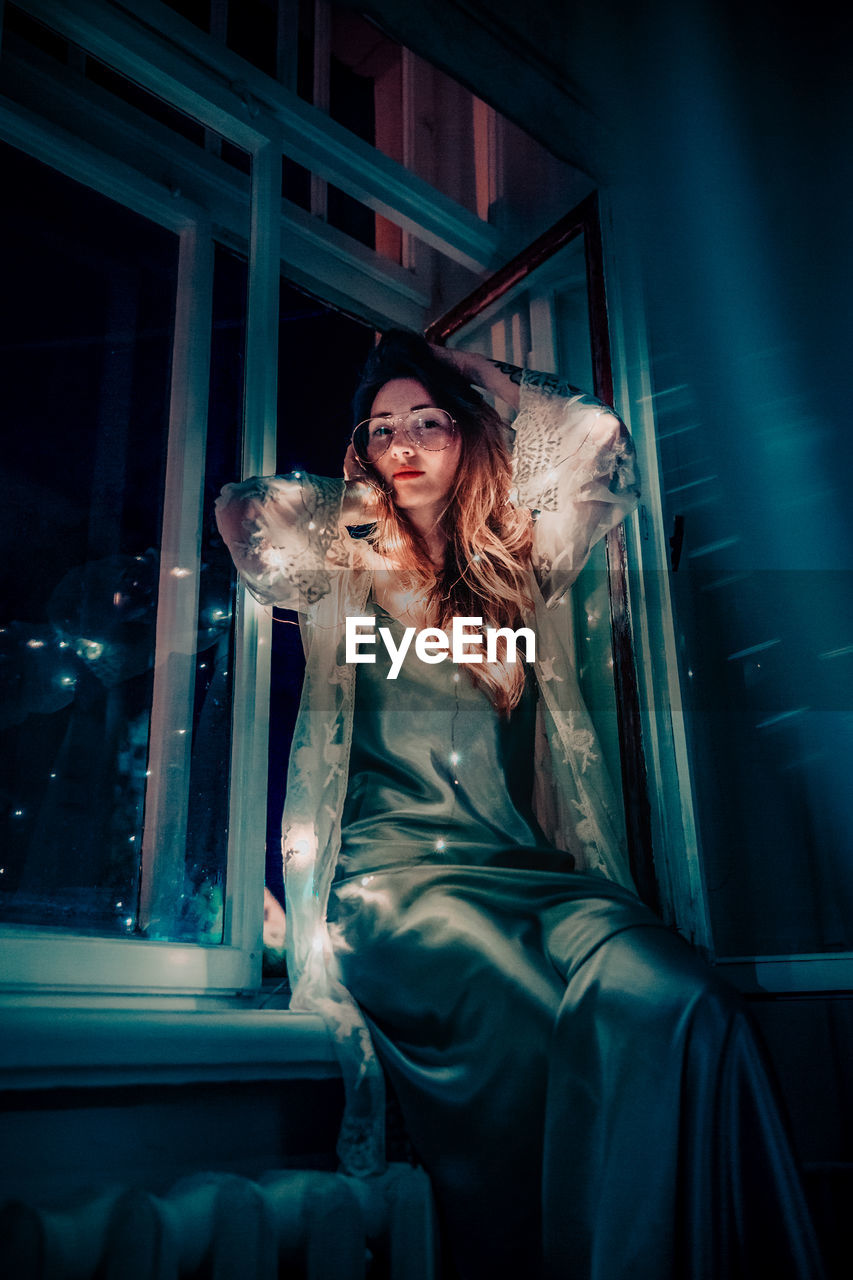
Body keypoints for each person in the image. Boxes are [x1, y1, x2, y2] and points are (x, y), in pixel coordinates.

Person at [216, 331, 824, 1280]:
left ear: (470, 434)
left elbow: (592, 436)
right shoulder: (347, 550)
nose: (403, 445)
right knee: (548, 1026)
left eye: (428, 426)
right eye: (380, 431)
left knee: (684, 997)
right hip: (397, 887)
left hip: (527, 875)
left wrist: (479, 382)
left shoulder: (514, 565)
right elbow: (245, 511)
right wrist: (376, 494)